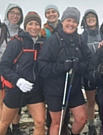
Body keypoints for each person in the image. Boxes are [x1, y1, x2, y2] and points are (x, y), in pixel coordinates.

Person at [38, 7, 91, 135]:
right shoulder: (53, 41)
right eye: (68, 20)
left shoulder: (80, 40)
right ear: (62, 21)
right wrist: (62, 67)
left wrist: (79, 66)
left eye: (74, 21)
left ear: (77, 24)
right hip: (55, 90)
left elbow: (89, 61)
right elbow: (42, 67)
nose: (71, 24)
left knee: (82, 118)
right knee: (57, 123)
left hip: (74, 88)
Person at [0, 11, 46, 135]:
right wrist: (18, 80)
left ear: (40, 26)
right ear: (25, 26)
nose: (34, 27)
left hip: (35, 89)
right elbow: (3, 67)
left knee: (40, 123)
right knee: (5, 123)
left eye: (37, 24)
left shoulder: (43, 44)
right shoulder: (16, 42)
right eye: (30, 24)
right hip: (15, 89)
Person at [0, 3, 23, 134]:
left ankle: (16, 128)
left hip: (17, 71)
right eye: (12, 13)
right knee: (3, 101)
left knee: (16, 101)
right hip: (0, 71)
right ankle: (5, 129)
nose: (15, 16)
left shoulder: (21, 32)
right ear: (7, 14)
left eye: (17, 14)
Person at [40, 4, 71, 134]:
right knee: (52, 103)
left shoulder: (65, 27)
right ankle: (52, 126)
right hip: (51, 70)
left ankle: (63, 126)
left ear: (58, 14)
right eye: (48, 12)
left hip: (65, 71)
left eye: (53, 12)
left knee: (66, 100)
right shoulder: (43, 32)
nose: (51, 14)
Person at [80, 9, 102, 135]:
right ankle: (92, 126)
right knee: (91, 101)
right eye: (88, 17)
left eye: (93, 16)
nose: (90, 18)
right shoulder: (82, 36)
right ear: (85, 20)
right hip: (89, 73)